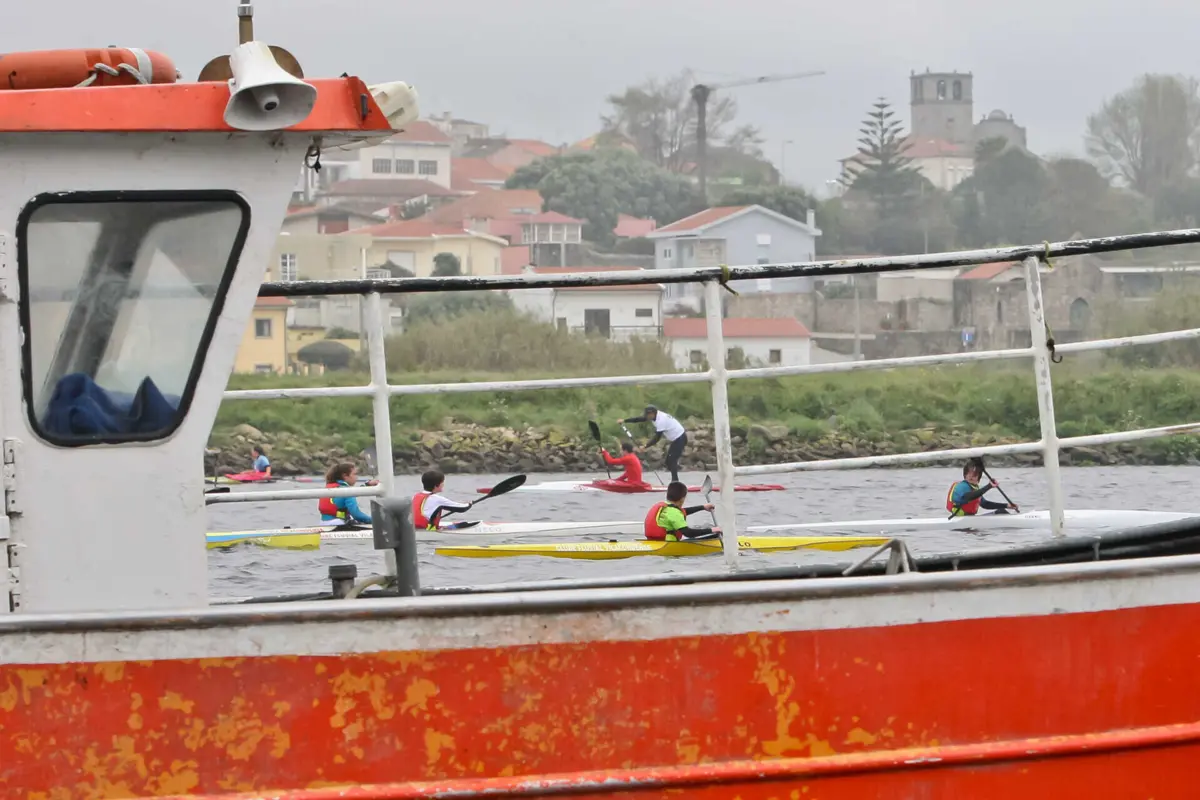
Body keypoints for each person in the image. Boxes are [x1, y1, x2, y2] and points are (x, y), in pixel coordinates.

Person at [619, 404, 687, 483]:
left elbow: (657, 438)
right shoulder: (654, 415)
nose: (646, 417)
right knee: (668, 462)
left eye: (648, 415)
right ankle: (677, 472)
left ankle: (675, 482)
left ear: (652, 413)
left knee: (672, 460)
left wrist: (645, 446)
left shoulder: (661, 420)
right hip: (676, 439)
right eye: (646, 415)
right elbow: (640, 419)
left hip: (680, 438)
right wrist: (624, 420)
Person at [644, 481, 718, 542]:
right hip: (669, 545)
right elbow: (688, 533)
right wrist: (712, 530)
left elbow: (682, 512)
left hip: (654, 542)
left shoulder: (666, 508)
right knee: (716, 536)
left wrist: (702, 507)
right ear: (682, 499)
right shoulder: (674, 513)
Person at [947, 460, 1019, 517]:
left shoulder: (974, 488)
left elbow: (985, 504)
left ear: (979, 477)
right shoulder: (962, 486)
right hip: (959, 519)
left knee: (1001, 511)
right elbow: (968, 497)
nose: (971, 476)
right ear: (965, 475)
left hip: (970, 519)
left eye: (974, 475)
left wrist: (1007, 505)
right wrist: (988, 486)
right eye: (968, 474)